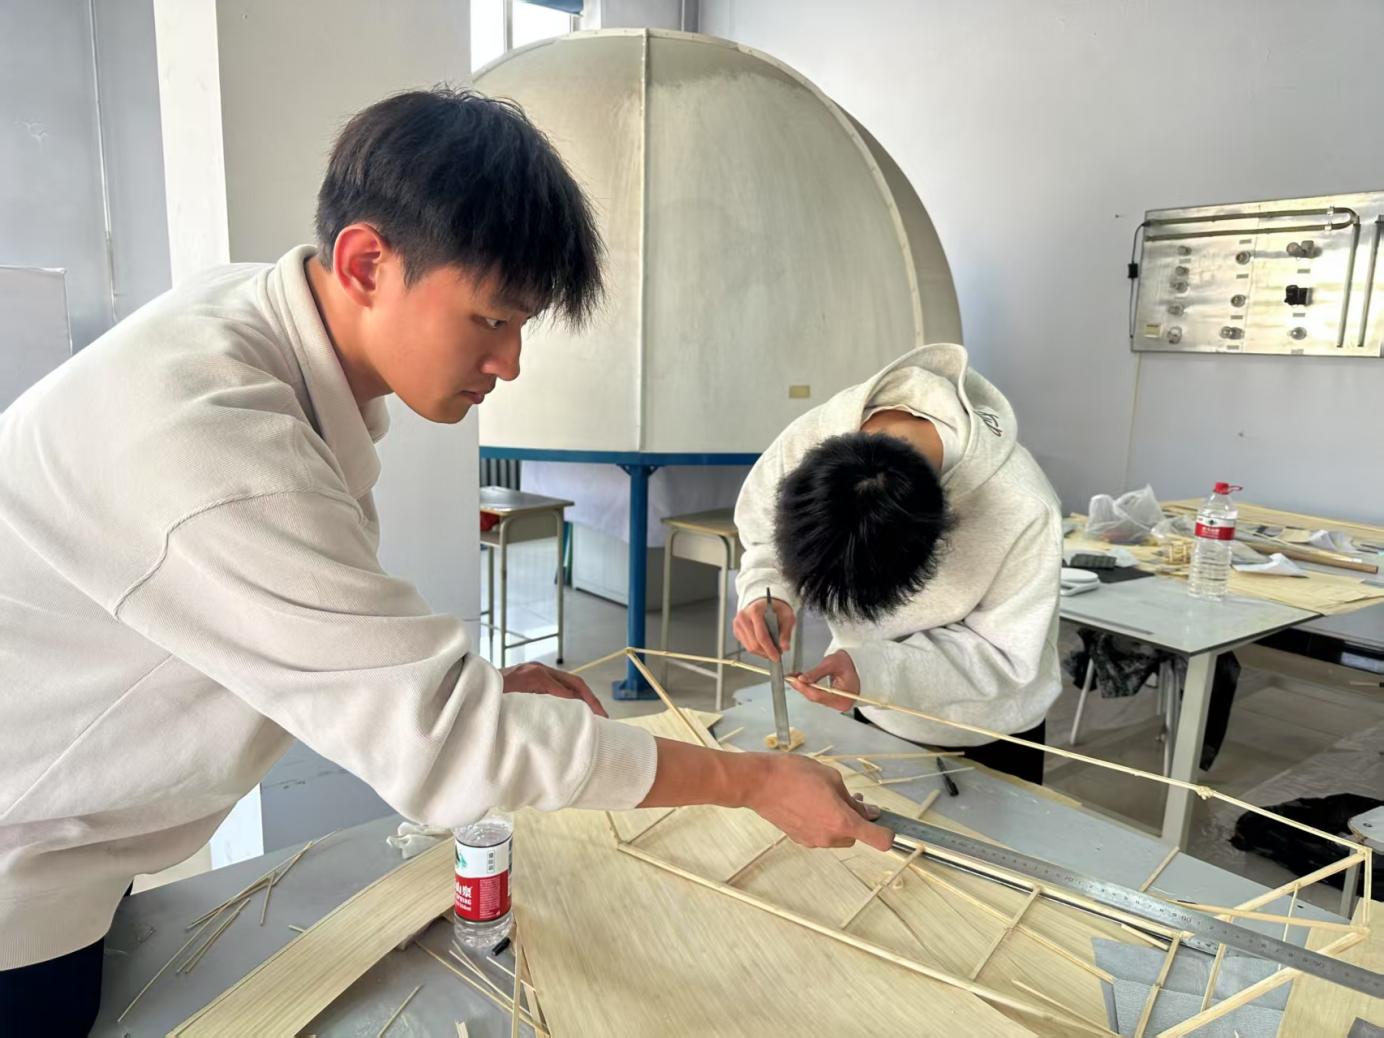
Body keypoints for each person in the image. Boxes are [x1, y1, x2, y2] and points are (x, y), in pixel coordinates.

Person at [0, 88, 889, 1035]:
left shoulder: (246, 322)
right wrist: (752, 781)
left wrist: (480, 691)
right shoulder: (213, 443)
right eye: (490, 319)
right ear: (367, 263)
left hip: (71, 826)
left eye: (521, 326)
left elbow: (309, 642)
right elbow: (445, 751)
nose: (509, 362)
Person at [732, 343, 1063, 784]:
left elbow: (1006, 657)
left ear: (939, 533)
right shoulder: (808, 441)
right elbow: (765, 534)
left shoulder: (1024, 507)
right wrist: (767, 591)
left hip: (986, 729)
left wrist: (873, 670)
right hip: (873, 707)